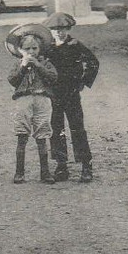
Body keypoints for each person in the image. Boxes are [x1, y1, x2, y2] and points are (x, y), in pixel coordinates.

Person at [44, 11, 99, 183]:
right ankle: (61, 165)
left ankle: (86, 165)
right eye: (54, 29)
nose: (59, 32)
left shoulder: (75, 45)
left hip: (72, 93)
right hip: (54, 94)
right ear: (50, 31)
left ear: (68, 29)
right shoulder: (47, 47)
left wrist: (84, 81)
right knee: (56, 128)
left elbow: (93, 62)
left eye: (63, 29)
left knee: (77, 128)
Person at [8, 33, 58, 184]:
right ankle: (19, 172)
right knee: (22, 134)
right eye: (27, 48)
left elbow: (53, 78)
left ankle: (45, 172)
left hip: (42, 99)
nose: (31, 52)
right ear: (20, 50)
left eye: (34, 48)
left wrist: (38, 65)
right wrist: (23, 66)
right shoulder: (18, 64)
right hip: (24, 99)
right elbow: (13, 80)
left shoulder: (46, 63)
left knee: (42, 135)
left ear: (40, 48)